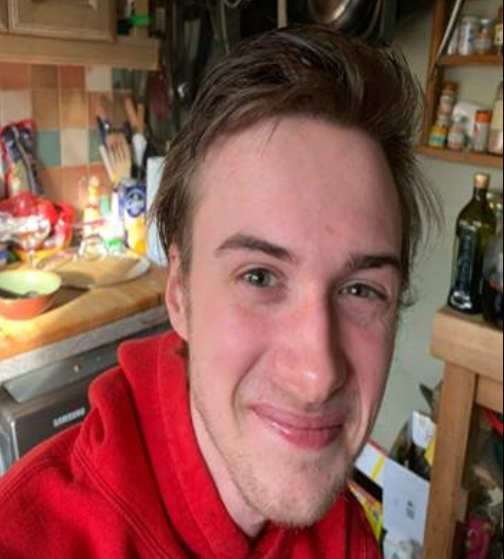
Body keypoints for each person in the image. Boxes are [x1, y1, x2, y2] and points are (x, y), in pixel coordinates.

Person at [0, 26, 439, 558]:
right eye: (259, 277)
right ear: (179, 295)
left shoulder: (344, 531)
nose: (317, 377)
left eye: (361, 290)